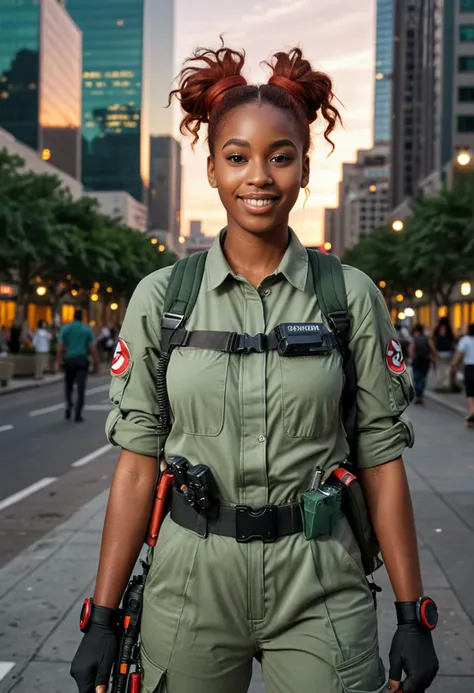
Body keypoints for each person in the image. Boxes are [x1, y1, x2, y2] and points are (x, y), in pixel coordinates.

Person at [70, 44, 438, 693]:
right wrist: (102, 616)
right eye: (237, 157)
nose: (258, 176)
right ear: (211, 170)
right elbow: (135, 464)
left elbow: (381, 457)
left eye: (280, 156)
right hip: (189, 580)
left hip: (321, 577)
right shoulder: (163, 298)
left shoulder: (349, 296)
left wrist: (413, 614)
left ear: (303, 167)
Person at [56, 309, 99, 422]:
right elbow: (93, 349)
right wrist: (96, 363)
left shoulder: (65, 329)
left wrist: (58, 360)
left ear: (73, 317)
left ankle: (69, 403)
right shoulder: (87, 330)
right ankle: (78, 413)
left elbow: (60, 347)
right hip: (81, 360)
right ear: (82, 317)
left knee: (68, 386)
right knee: (81, 388)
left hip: (69, 360)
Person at [451, 323, 474, 427]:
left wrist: (454, 365)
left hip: (470, 368)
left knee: (470, 393)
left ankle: (471, 416)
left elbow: (459, 354)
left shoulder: (464, 340)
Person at [408, 324, 437, 405]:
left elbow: (411, 350)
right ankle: (419, 395)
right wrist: (433, 358)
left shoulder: (415, 340)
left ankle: (418, 395)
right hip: (425, 361)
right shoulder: (427, 339)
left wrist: (411, 357)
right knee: (423, 378)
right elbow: (433, 349)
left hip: (417, 361)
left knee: (417, 378)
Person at [432, 317, 455, 392]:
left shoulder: (437, 330)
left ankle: (440, 385)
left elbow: (433, 340)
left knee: (439, 369)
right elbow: (452, 340)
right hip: (448, 352)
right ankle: (446, 385)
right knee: (447, 369)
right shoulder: (449, 330)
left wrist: (434, 352)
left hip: (439, 351)